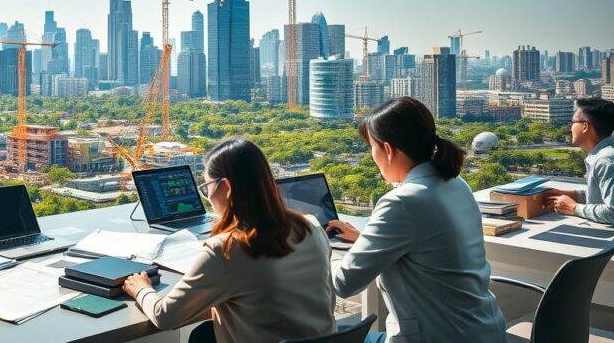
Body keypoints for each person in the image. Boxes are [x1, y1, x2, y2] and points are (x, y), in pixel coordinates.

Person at [326, 97, 506, 343]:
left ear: (387, 150)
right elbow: (429, 244)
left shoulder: (401, 202)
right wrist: (366, 240)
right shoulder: (456, 184)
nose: (372, 155)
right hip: (484, 330)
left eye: (371, 147)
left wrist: (319, 244)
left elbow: (343, 284)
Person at [121, 138, 336, 343]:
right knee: (204, 334)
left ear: (225, 186)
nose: (208, 197)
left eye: (206, 188)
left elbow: (165, 317)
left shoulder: (226, 250)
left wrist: (141, 288)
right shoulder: (311, 227)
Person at [543, 98, 614, 222]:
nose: (570, 127)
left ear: (585, 126)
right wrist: (572, 195)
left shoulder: (606, 160)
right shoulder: (602, 155)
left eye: (573, 122)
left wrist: (574, 207)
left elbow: (612, 212)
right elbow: (601, 196)